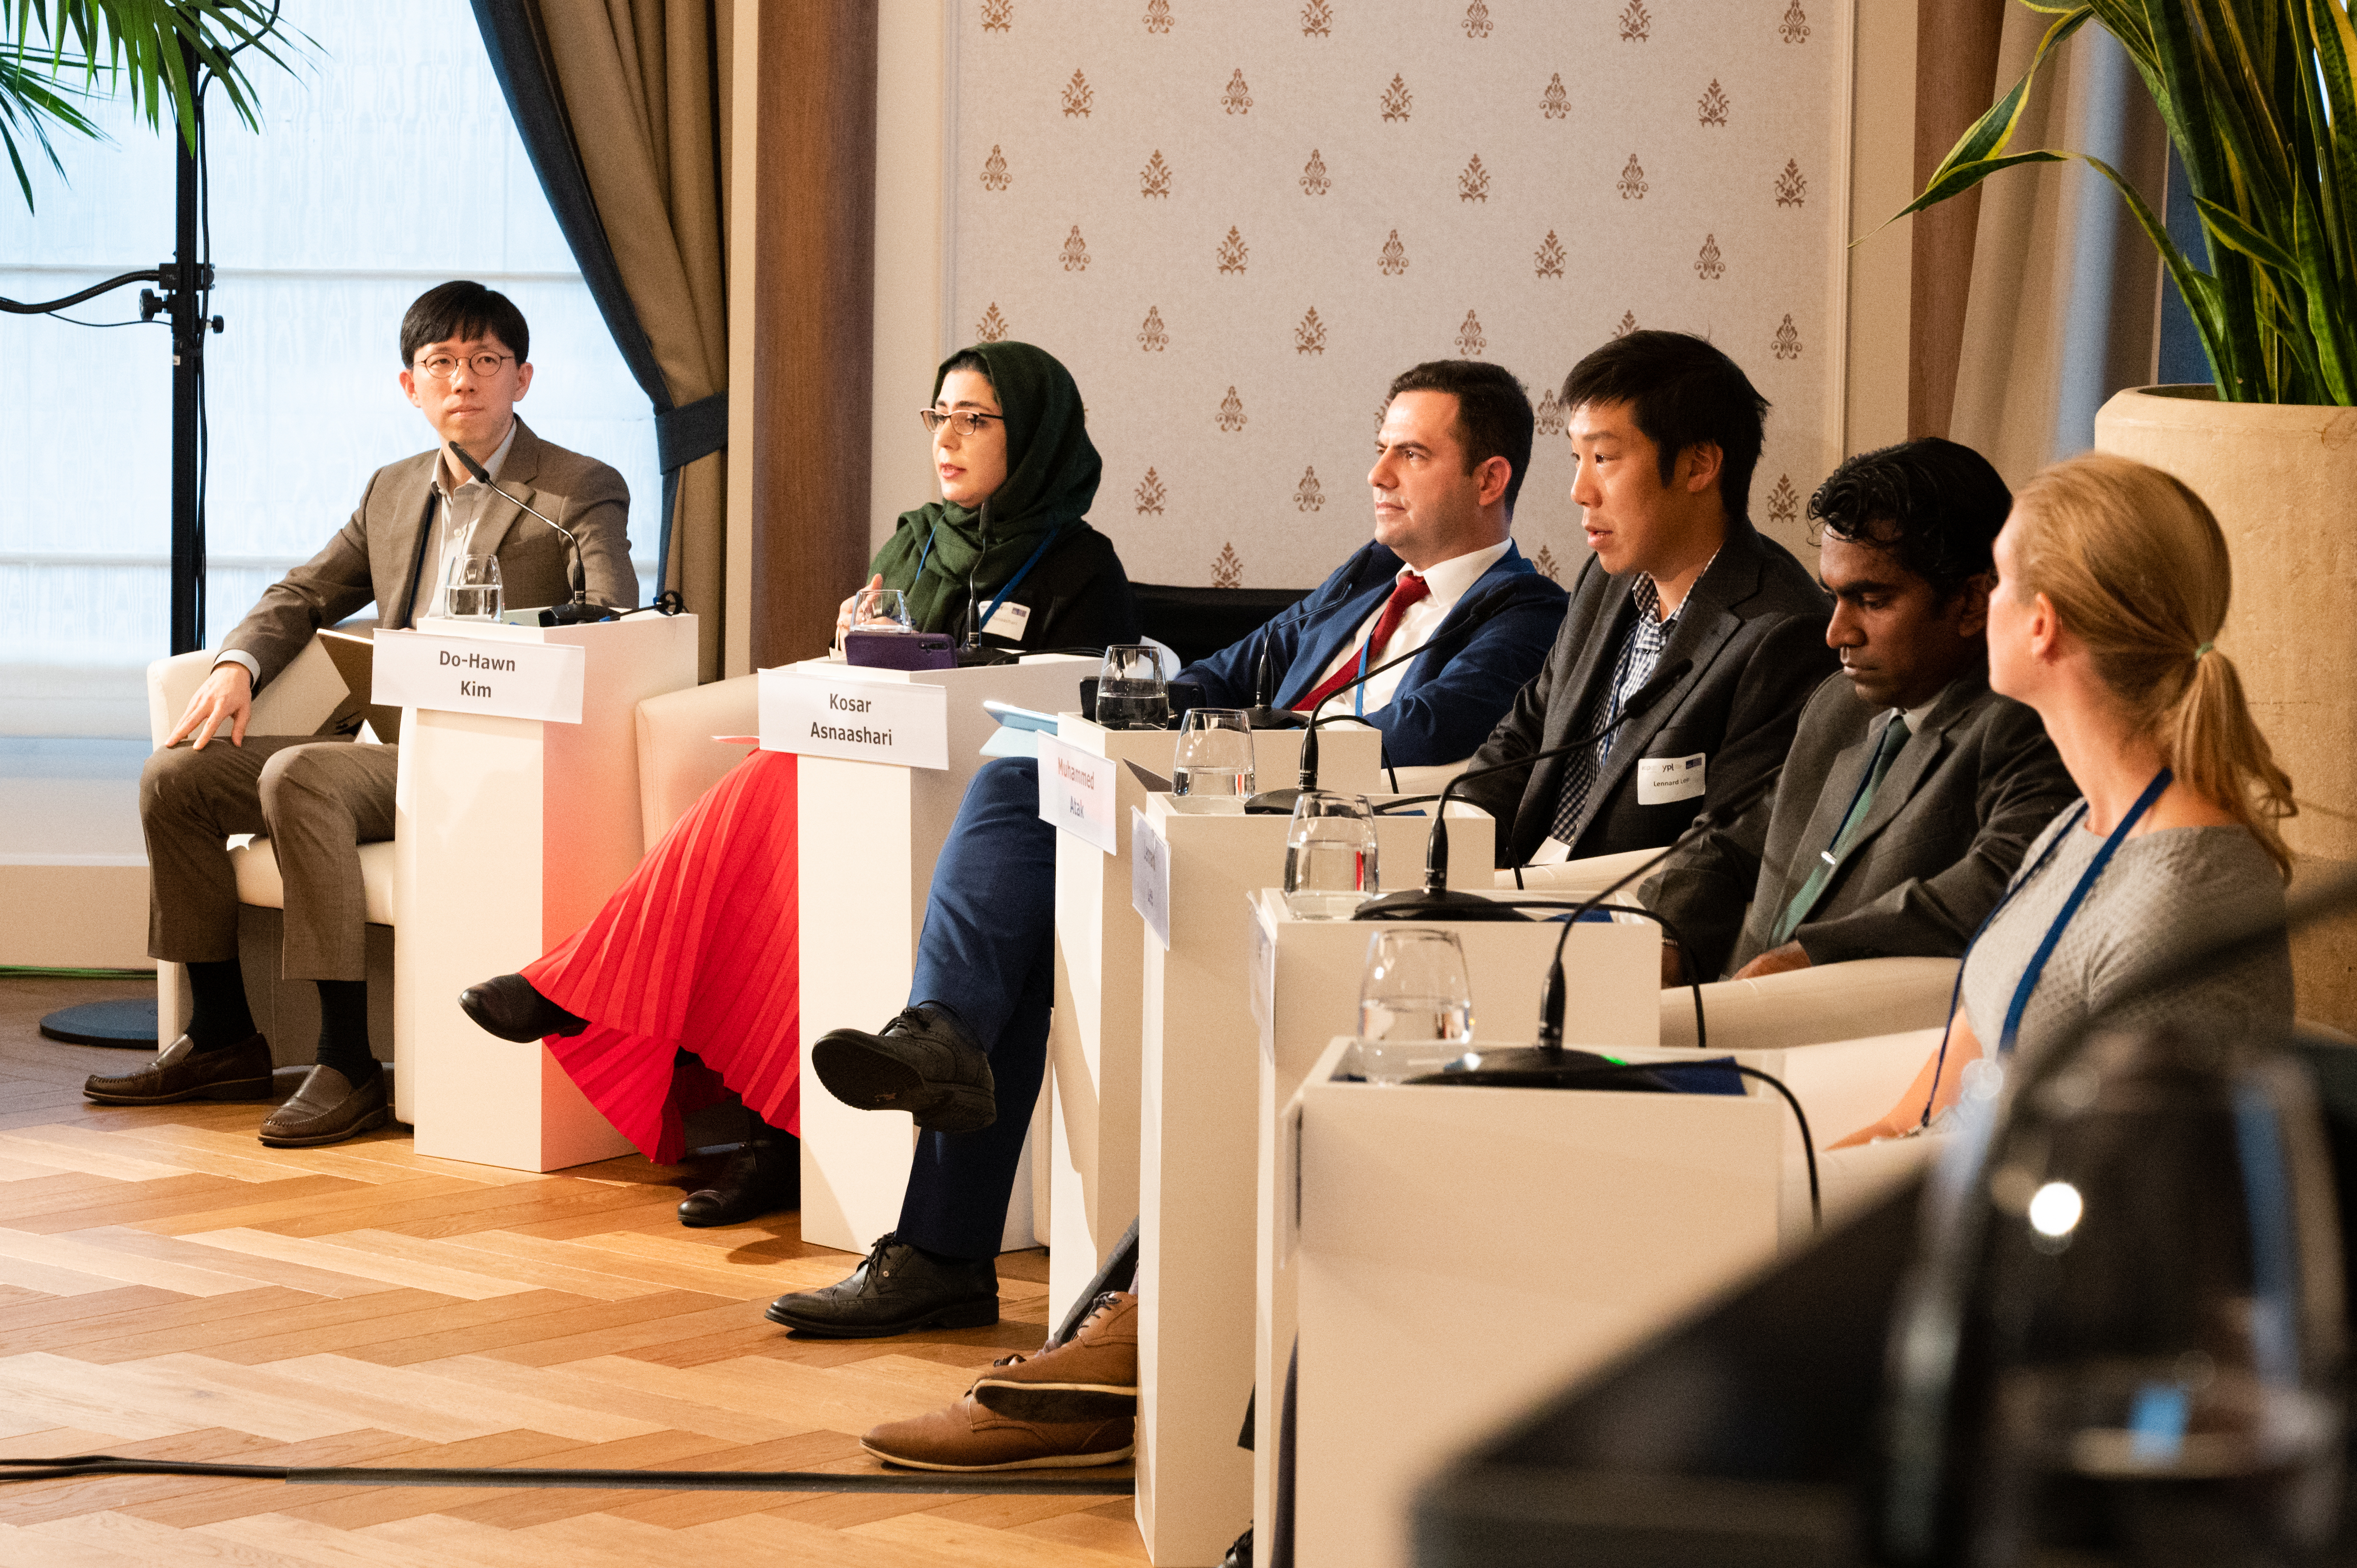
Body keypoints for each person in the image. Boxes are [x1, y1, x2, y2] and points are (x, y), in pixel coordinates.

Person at [769, 359, 1570, 1340]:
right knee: (1021, 793)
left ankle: (942, 1212)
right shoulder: (1365, 580)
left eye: (1411, 453)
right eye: (1378, 448)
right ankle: (941, 1097)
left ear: (1489, 479)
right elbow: (1220, 671)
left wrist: (1224, 739)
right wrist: (1138, 712)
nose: (1378, 474)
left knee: (1014, 806)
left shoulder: (1524, 614)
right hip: (1223, 806)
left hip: (1334, 848)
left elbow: (1415, 735)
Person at [457, 340, 1143, 1228]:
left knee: (775, 787)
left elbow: (1077, 713)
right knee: (781, 813)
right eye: (938, 416)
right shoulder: (915, 540)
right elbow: (866, 669)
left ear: (1037, 435)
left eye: (976, 419)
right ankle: (768, 1135)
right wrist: (850, 639)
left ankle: (584, 996)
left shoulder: (1083, 569)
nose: (948, 438)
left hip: (975, 821)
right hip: (863, 788)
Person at [88, 281, 637, 1148]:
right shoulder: (392, 489)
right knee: (176, 775)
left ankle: (348, 1062)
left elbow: (611, 616)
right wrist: (238, 663)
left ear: (522, 379)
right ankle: (225, 1033)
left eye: (486, 360)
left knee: (297, 771)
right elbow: (304, 592)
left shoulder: (575, 488)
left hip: (491, 756)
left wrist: (495, 645)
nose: (464, 380)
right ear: (409, 385)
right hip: (393, 748)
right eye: (442, 362)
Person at [1836, 451, 2296, 1146]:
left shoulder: (2181, 903)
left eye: (2002, 583)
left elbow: (2143, 1197)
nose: (1984, 603)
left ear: (2041, 625)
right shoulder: (2076, 827)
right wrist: (1837, 1164)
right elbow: (1946, 1080)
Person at [1642, 438, 2077, 984]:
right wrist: (1666, 934)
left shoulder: (2022, 724)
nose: (1836, 633)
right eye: (1834, 598)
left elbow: (2003, 880)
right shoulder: (1838, 705)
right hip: (1730, 1010)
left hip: (1837, 1028)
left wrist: (1811, 959)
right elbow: (1732, 838)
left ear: (1971, 602)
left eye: (1871, 602)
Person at [1452, 330, 1836, 871]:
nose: (1579, 490)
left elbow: (1721, 850)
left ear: (1698, 465)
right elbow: (1524, 735)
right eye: (1576, 457)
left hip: (1612, 916)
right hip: (1515, 880)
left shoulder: (1781, 631)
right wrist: (1446, 848)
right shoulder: (1606, 580)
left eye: (1604, 457)